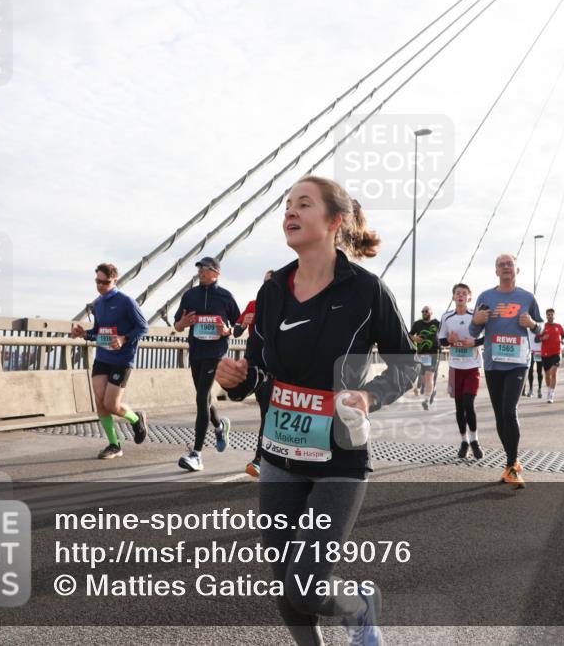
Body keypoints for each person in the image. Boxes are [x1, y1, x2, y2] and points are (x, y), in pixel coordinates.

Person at [216, 176, 418, 646]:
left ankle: (358, 604)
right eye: (287, 205)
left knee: (304, 586)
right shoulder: (272, 292)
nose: (290, 212)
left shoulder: (367, 292)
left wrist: (368, 396)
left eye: (303, 204)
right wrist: (239, 380)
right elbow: (260, 371)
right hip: (279, 454)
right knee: (285, 581)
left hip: (339, 457)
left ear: (334, 222)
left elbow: (406, 366)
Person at [469, 253, 542, 488]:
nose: (506, 267)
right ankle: (512, 462)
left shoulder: (527, 297)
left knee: (510, 410)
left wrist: (531, 324)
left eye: (510, 264)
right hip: (493, 363)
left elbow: (540, 330)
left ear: (517, 270)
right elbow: (472, 333)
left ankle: (511, 464)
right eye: (501, 264)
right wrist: (477, 320)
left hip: (519, 362)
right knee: (500, 415)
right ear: (496, 271)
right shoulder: (486, 296)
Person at [70, 263, 149, 459]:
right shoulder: (97, 304)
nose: (100, 285)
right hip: (102, 357)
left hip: (122, 359)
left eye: (104, 282)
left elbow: (143, 328)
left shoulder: (126, 302)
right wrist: (84, 334)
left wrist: (123, 338)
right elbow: (98, 332)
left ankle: (135, 419)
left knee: (112, 404)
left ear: (115, 280)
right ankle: (114, 445)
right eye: (97, 281)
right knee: (100, 403)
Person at [174, 256, 241, 472]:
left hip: (215, 353)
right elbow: (177, 324)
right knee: (205, 397)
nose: (201, 271)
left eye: (205, 268)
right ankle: (220, 426)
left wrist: (228, 331)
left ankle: (197, 455)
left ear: (216, 273)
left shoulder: (225, 296)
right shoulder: (190, 295)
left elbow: (239, 324)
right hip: (196, 352)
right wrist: (183, 323)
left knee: (201, 397)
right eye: (199, 268)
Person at [438, 283, 484, 460]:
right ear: (453, 297)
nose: (460, 296)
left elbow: (486, 337)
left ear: (469, 297)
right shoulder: (447, 317)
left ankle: (474, 440)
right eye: (457, 293)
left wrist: (474, 343)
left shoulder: (476, 316)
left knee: (468, 404)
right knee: (459, 408)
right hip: (455, 368)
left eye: (464, 293)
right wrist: (448, 340)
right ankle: (464, 441)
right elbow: (441, 341)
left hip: (472, 366)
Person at [235, 270, 274, 478]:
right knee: (265, 411)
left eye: (271, 282)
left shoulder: (284, 306)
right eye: (265, 282)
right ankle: (264, 457)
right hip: (254, 362)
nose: (267, 286)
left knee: (268, 413)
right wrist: (243, 323)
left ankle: (260, 458)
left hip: (276, 366)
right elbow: (236, 333)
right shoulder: (253, 304)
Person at [410, 306, 440, 410]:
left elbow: (444, 333)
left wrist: (442, 340)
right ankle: (432, 391)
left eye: (426, 311)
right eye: (422, 311)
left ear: (431, 312)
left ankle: (426, 400)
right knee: (423, 379)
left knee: (429, 376)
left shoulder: (437, 323)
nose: (424, 312)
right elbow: (409, 335)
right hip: (421, 354)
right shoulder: (417, 324)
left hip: (433, 354)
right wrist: (414, 338)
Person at [537, 308, 564, 403]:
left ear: (554, 316)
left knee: (553, 373)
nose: (550, 316)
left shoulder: (559, 326)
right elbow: (536, 339)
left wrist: (563, 340)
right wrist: (542, 338)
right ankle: (549, 389)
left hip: (556, 352)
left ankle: (551, 394)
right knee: (547, 375)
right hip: (545, 354)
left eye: (551, 314)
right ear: (546, 316)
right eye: (548, 314)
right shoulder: (542, 326)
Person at [524, 329, 544, 399]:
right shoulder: (528, 330)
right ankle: (531, 389)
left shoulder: (541, 329)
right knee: (530, 370)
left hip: (539, 352)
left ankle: (540, 389)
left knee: (539, 371)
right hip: (531, 352)